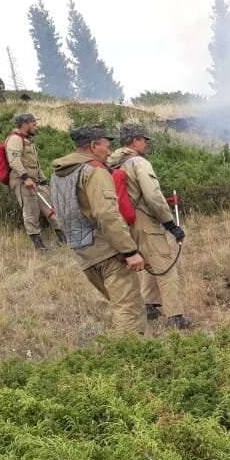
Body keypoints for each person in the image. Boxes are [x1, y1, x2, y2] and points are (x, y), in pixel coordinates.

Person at [51, 125, 147, 334]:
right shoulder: (94, 170)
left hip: (82, 251)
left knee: (119, 304)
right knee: (129, 308)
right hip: (107, 251)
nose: (110, 151)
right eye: (107, 145)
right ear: (94, 145)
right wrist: (129, 251)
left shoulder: (59, 173)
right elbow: (107, 215)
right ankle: (129, 359)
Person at [107, 123, 191, 329]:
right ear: (135, 140)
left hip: (125, 223)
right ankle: (176, 317)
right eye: (144, 140)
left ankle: (150, 305)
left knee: (150, 262)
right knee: (165, 266)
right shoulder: (138, 162)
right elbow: (153, 196)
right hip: (145, 221)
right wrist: (170, 224)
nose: (146, 144)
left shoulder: (114, 163)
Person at [5, 113, 63, 250]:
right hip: (23, 182)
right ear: (25, 124)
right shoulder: (15, 139)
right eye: (33, 123)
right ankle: (40, 247)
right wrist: (25, 178)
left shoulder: (27, 140)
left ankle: (64, 241)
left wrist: (42, 180)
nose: (36, 126)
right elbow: (14, 161)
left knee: (51, 209)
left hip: (36, 181)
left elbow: (35, 164)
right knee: (31, 212)